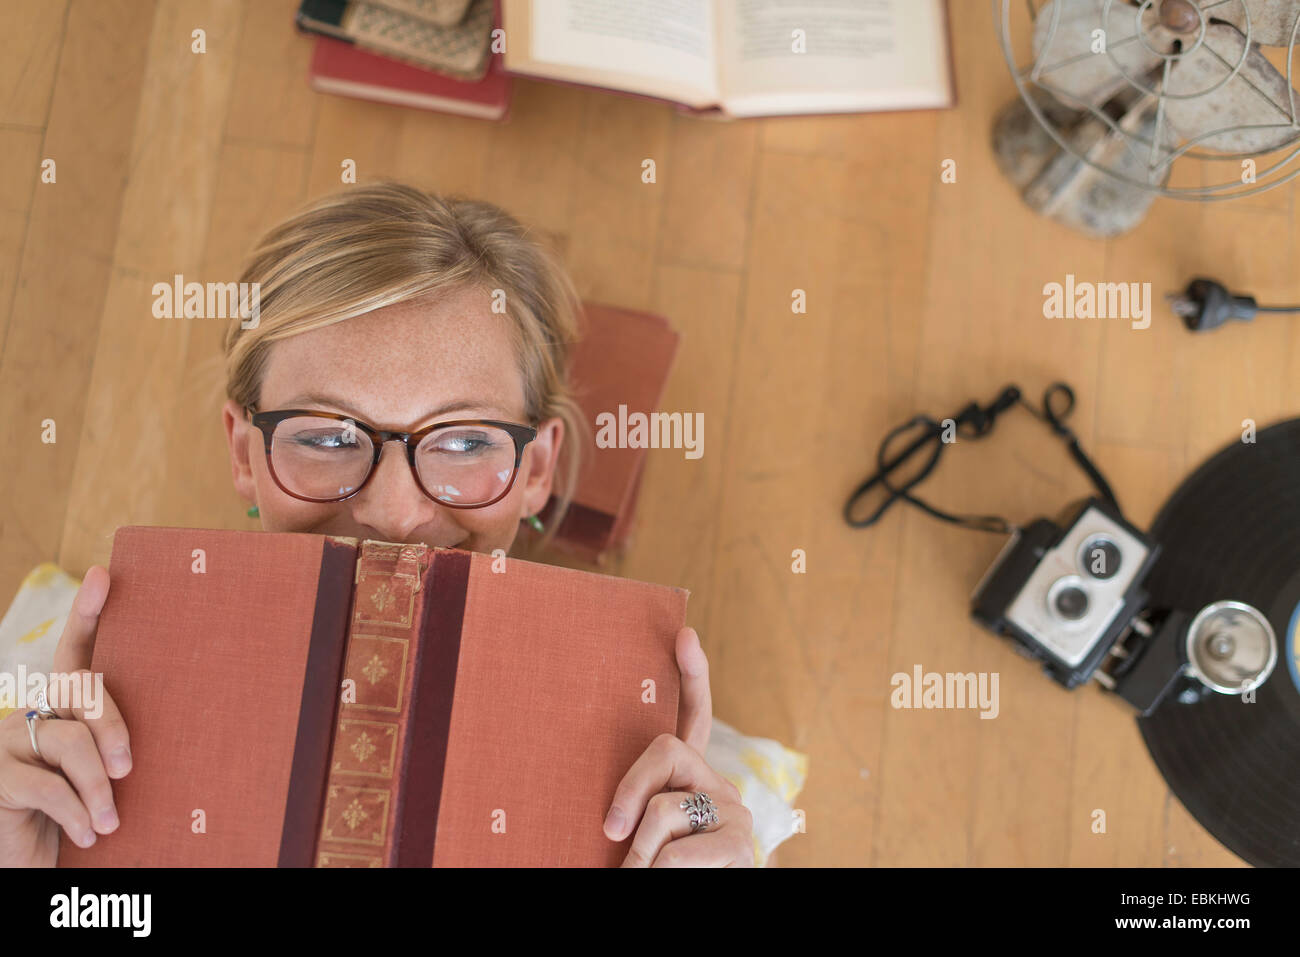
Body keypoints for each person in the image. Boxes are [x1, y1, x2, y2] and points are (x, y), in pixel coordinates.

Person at [0, 182, 754, 867]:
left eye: (464, 440)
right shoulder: (51, 733)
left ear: (534, 469)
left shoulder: (677, 782)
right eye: (327, 436)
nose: (393, 514)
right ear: (243, 450)